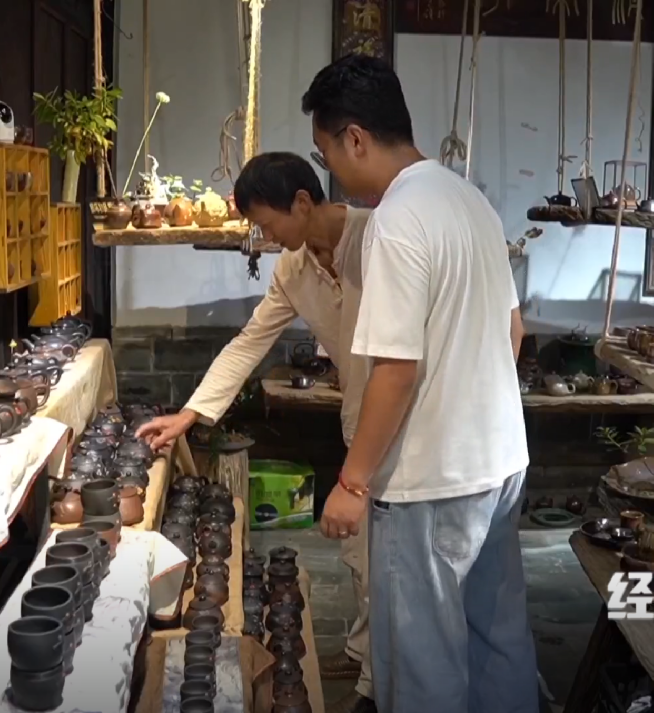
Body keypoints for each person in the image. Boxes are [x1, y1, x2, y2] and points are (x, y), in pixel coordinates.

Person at [301, 54, 536, 713]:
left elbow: (396, 370)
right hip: (499, 464)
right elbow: (513, 331)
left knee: (422, 667)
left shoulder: (397, 219)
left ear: (354, 138)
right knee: (497, 645)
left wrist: (352, 483)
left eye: (325, 153)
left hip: (429, 485)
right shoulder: (470, 201)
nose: (331, 169)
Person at [136, 151, 378, 713]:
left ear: (302, 201)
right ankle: (369, 661)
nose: (264, 237)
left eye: (267, 223)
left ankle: (389, 682)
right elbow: (249, 342)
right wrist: (191, 415)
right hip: (360, 414)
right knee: (365, 551)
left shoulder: (379, 238)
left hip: (408, 418)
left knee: (397, 561)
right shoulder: (293, 269)